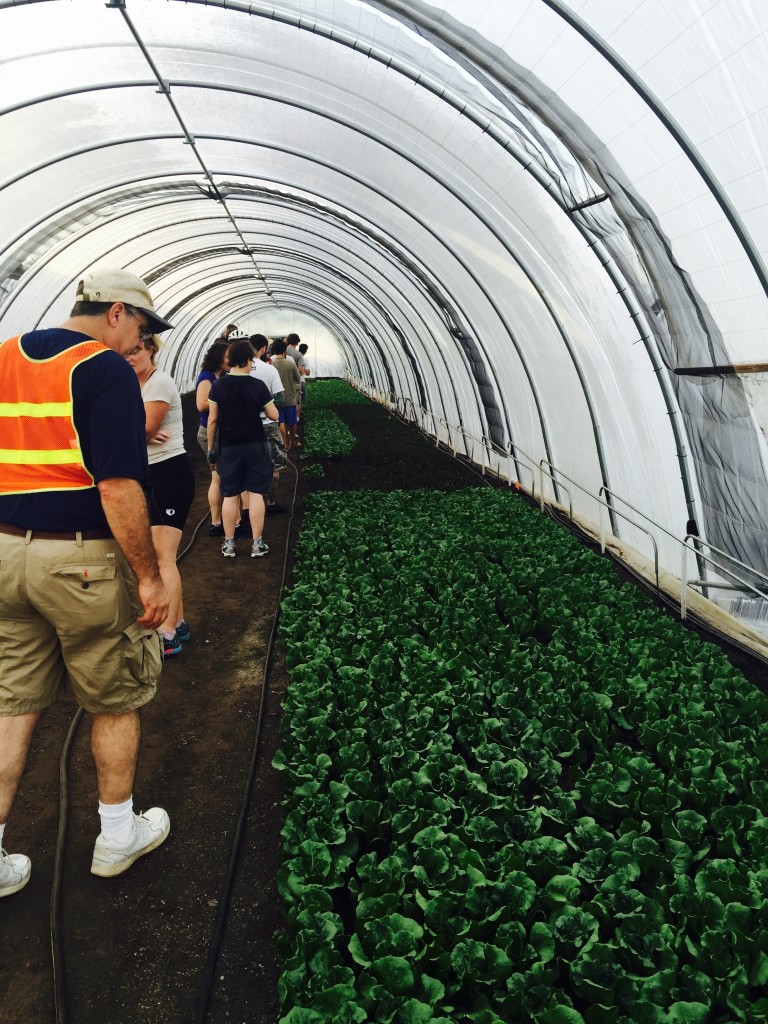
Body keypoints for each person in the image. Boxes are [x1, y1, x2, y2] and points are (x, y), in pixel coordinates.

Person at [0, 268, 172, 897]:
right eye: (143, 329)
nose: (141, 345)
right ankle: (116, 836)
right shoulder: (101, 370)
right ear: (118, 312)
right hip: (80, 562)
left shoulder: (5, 357)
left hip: (6, 556)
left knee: (12, 704)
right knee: (114, 695)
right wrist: (148, 576)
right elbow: (120, 484)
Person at [127, 334, 195, 657]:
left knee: (163, 557)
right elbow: (130, 428)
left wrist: (140, 433)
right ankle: (177, 622)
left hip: (170, 474)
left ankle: (168, 634)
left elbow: (143, 426)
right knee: (157, 555)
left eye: (137, 350)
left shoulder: (159, 383)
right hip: (149, 474)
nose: (130, 356)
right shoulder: (131, 386)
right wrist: (140, 435)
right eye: (125, 351)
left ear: (150, 349)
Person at [206, 339, 279, 558]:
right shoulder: (257, 385)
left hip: (229, 447)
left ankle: (229, 544)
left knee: (230, 494)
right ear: (247, 360)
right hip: (255, 445)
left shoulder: (218, 385)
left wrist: (211, 449)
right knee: (256, 492)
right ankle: (257, 544)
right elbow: (274, 415)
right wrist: (262, 409)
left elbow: (212, 420)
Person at [249, 334, 288, 516]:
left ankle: (250, 506)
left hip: (246, 425)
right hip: (268, 423)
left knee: (250, 465)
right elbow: (280, 397)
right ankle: (271, 503)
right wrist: (266, 404)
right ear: (264, 349)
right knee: (274, 466)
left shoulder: (237, 370)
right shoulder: (269, 369)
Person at [195, 340, 229, 536]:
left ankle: (222, 518)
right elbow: (201, 404)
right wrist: (224, 398)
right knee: (217, 477)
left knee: (221, 476)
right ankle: (216, 522)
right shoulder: (207, 377)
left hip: (217, 431)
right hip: (210, 432)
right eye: (227, 357)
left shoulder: (219, 376)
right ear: (218, 358)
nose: (229, 361)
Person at [271, 338, 302, 451]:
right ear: (285, 350)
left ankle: (285, 444)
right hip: (290, 397)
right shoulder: (290, 363)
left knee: (281, 422)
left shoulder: (270, 363)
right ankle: (293, 441)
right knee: (292, 422)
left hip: (277, 398)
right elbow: (298, 379)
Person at [285, 333, 305, 423]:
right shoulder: (299, 355)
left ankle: (284, 420)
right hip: (294, 381)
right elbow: (301, 371)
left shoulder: (282, 350)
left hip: (282, 380)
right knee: (297, 401)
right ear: (297, 342)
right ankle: (296, 420)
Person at [298, 341, 311, 415]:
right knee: (301, 400)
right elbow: (308, 372)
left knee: (294, 399)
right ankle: (299, 416)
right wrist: (304, 371)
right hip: (301, 381)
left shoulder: (293, 357)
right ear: (306, 351)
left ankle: (296, 416)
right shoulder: (305, 359)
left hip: (293, 381)